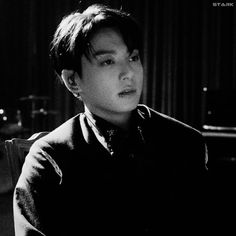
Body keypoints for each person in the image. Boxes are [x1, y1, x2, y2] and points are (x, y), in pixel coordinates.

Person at [13, 4, 208, 235]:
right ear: (72, 80)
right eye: (108, 61)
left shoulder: (185, 143)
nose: (129, 73)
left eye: (133, 57)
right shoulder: (49, 158)